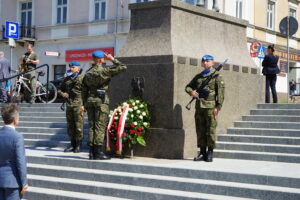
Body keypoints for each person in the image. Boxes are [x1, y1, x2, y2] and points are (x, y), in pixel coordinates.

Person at [82, 50, 127, 160]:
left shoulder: (87, 73)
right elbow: (123, 67)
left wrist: (83, 104)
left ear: (93, 59)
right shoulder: (104, 71)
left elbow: (84, 90)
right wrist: (112, 59)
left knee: (92, 126)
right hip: (101, 101)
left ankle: (91, 153)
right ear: (102, 59)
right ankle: (98, 153)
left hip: (90, 100)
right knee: (100, 126)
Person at [185, 55, 225, 162]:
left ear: (212, 63)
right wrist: (191, 92)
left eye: (208, 61)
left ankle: (210, 152)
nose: (205, 62)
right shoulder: (198, 77)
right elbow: (188, 86)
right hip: (199, 107)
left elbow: (220, 94)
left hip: (210, 107)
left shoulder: (216, 76)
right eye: (204, 61)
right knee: (200, 130)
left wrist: (218, 107)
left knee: (210, 130)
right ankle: (202, 152)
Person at [0, 104, 28, 200]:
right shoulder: (17, 136)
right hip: (13, 182)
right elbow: (21, 161)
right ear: (15, 120)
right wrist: (24, 182)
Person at [58, 61, 84, 153]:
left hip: (78, 104)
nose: (71, 69)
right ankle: (72, 144)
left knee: (78, 125)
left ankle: (78, 145)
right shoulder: (67, 79)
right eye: (71, 67)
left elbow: (86, 92)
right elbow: (60, 89)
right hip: (69, 104)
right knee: (70, 125)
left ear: (78, 68)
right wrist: (63, 93)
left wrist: (84, 105)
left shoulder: (82, 79)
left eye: (73, 67)